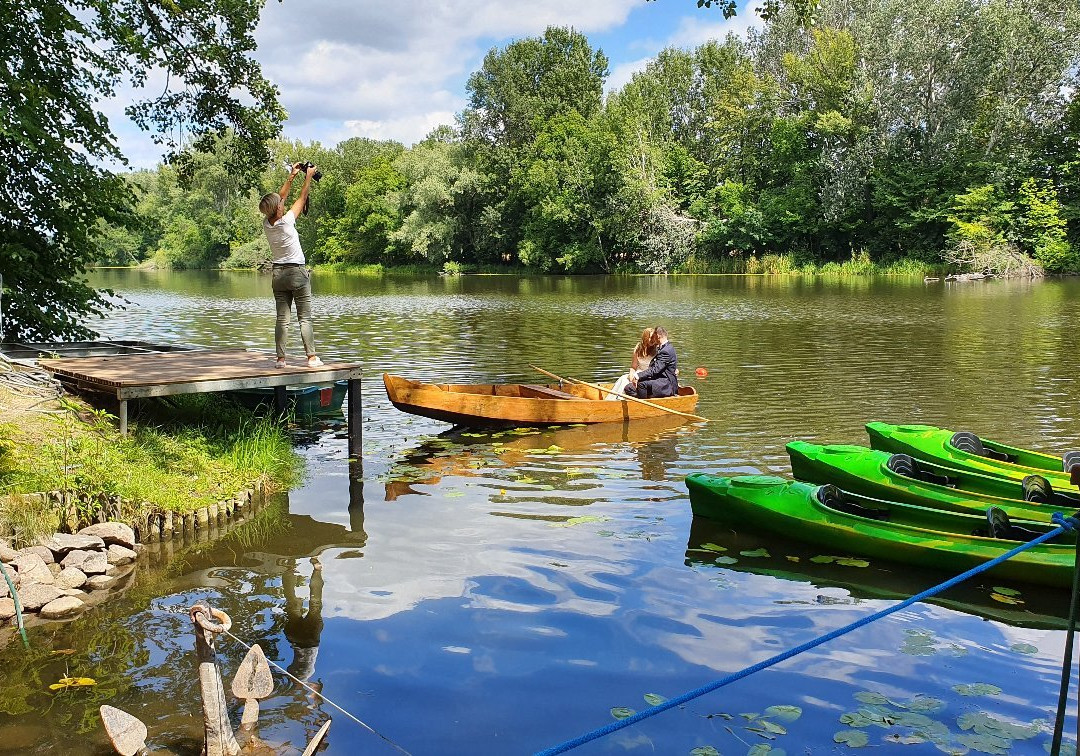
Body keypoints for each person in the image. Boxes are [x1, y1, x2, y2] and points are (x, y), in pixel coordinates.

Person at [259, 163, 324, 368]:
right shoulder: (287, 221)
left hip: (278, 275)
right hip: (296, 272)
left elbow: (280, 198)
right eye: (280, 204)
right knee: (304, 317)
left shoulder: (267, 224)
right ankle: (312, 358)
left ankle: (280, 360)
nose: (282, 203)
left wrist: (292, 175)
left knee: (282, 319)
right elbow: (302, 198)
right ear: (278, 208)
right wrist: (308, 177)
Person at [627, 325, 678, 399]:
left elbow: (655, 369)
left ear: (658, 336)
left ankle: (643, 406)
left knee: (641, 384)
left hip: (666, 384)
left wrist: (638, 376)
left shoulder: (666, 350)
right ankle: (645, 398)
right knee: (628, 388)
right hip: (658, 379)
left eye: (653, 337)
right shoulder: (663, 347)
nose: (653, 340)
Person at [606, 327, 657, 400]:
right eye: (650, 337)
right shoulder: (638, 348)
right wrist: (631, 376)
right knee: (623, 379)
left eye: (654, 337)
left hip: (649, 375)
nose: (652, 340)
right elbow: (633, 367)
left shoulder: (657, 349)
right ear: (645, 338)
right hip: (637, 373)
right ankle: (616, 401)